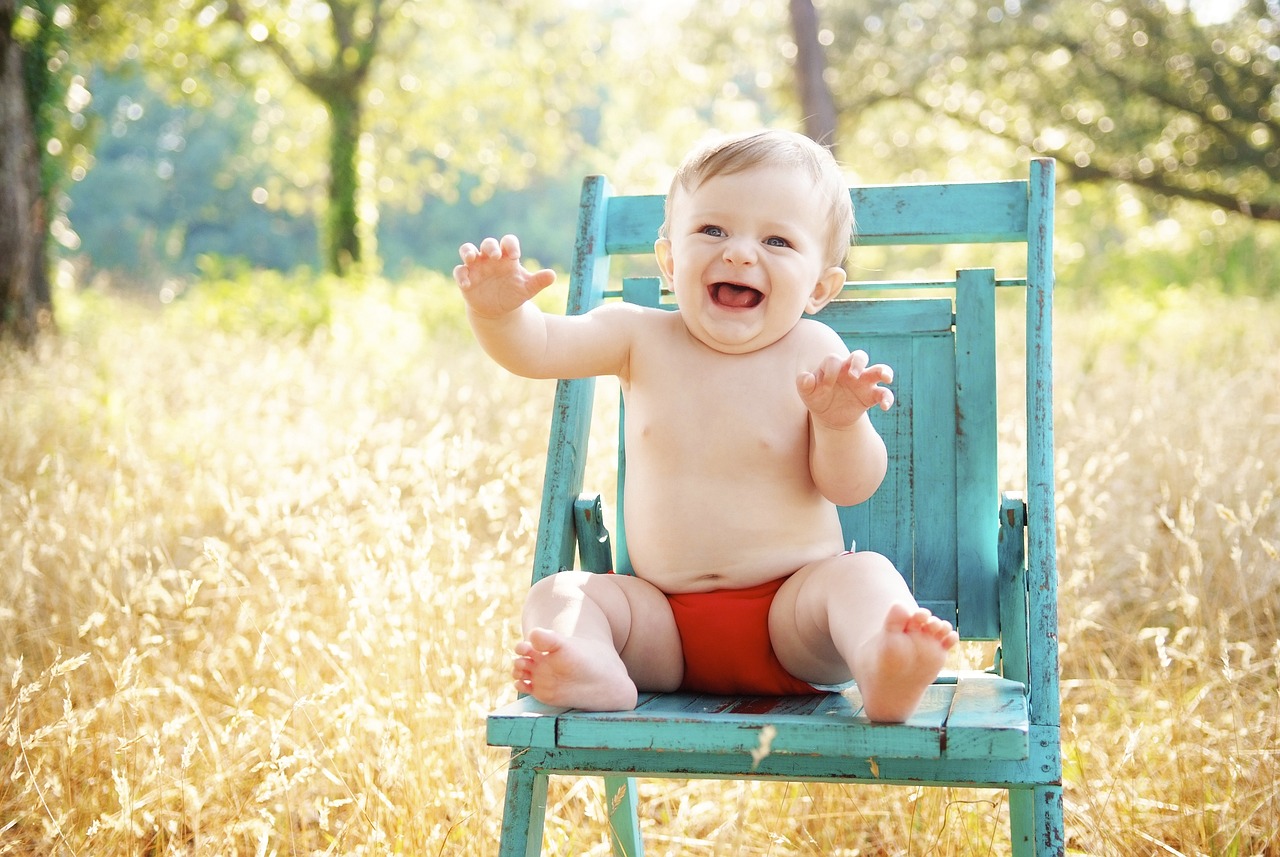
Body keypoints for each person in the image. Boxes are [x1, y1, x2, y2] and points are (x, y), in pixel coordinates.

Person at [453, 129, 958, 723]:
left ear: (820, 287)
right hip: (659, 624)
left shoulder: (814, 351)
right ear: (669, 261)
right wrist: (497, 312)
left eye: (777, 239)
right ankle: (591, 666)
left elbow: (851, 487)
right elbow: (536, 348)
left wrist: (841, 423)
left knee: (863, 575)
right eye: (712, 230)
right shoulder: (635, 336)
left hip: (791, 620)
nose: (741, 253)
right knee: (559, 593)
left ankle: (882, 661)